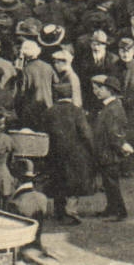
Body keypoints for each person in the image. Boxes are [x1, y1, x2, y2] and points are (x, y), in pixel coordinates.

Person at [44, 80, 94, 225]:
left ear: (55, 95)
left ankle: (59, 211)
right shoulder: (76, 111)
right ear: (70, 94)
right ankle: (71, 211)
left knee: (58, 181)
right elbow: (86, 133)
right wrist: (91, 150)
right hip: (75, 153)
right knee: (74, 183)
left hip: (55, 153)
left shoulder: (50, 111)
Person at [89, 74, 132, 220]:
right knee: (108, 184)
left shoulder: (113, 108)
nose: (97, 91)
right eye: (96, 88)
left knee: (112, 184)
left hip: (109, 153)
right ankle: (111, 208)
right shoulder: (109, 106)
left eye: (101, 89)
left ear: (110, 91)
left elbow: (114, 134)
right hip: (106, 152)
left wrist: (120, 147)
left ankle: (120, 212)